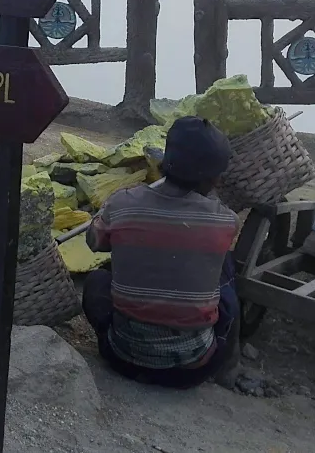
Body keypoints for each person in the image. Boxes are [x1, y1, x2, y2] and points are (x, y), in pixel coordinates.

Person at [81, 116, 241, 389]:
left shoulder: (123, 203)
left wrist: (110, 213)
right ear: (213, 178)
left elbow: (94, 242)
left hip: (122, 359)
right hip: (192, 371)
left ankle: (130, 340)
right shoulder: (225, 220)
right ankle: (229, 366)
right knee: (225, 268)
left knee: (97, 280)